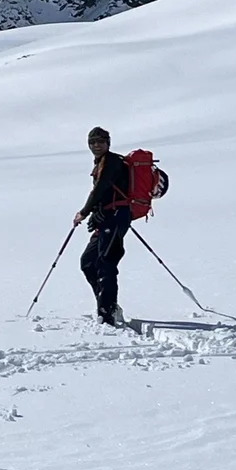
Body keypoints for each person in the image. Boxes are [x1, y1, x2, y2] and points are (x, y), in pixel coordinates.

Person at [74, 127, 133, 327]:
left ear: (108, 143)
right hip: (107, 217)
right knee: (88, 262)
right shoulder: (101, 163)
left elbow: (100, 188)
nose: (96, 145)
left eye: (100, 141)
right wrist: (96, 214)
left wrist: (84, 212)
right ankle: (107, 304)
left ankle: (106, 314)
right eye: (93, 142)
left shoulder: (112, 162)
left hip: (117, 217)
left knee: (106, 263)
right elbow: (103, 192)